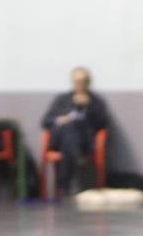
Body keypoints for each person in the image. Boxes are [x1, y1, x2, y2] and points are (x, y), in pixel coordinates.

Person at [40, 67, 110, 195]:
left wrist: (89, 108)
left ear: (89, 83)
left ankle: (64, 185)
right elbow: (46, 121)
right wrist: (60, 119)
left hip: (84, 142)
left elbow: (102, 123)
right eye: (77, 81)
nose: (80, 85)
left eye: (84, 81)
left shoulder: (95, 101)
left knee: (72, 131)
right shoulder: (62, 100)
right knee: (69, 128)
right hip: (59, 140)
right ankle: (78, 161)